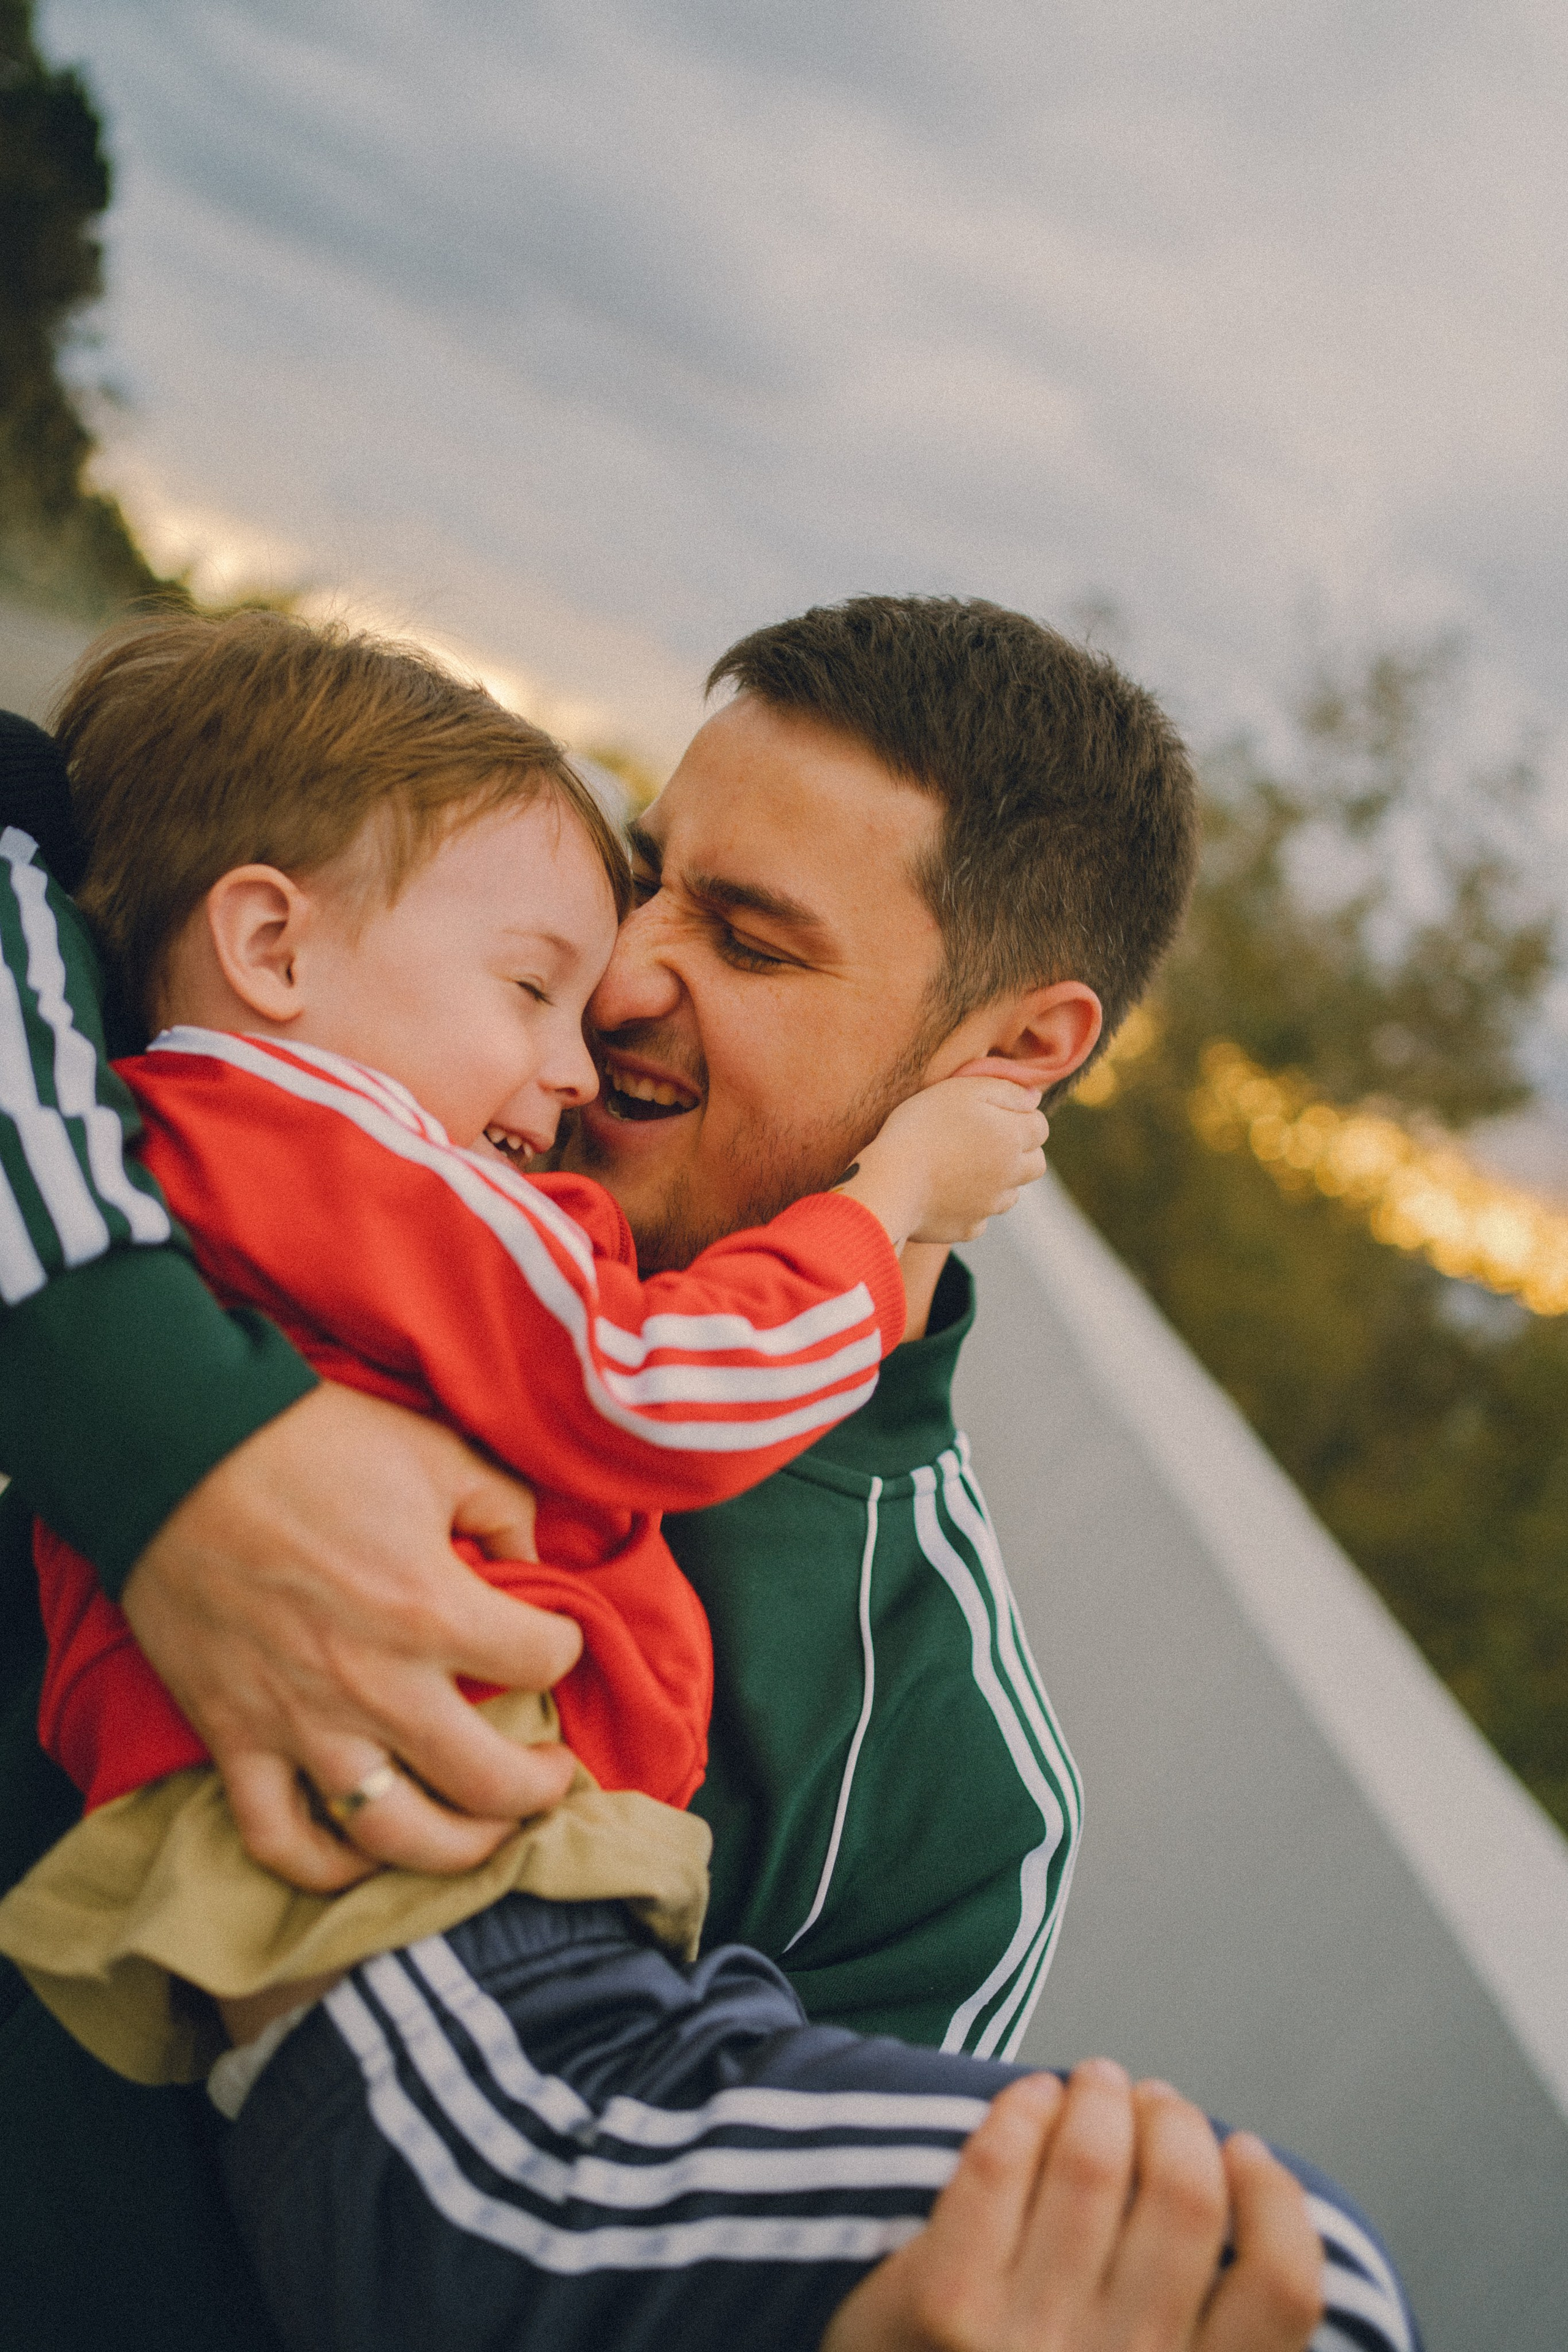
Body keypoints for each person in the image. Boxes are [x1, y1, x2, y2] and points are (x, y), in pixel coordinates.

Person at [0, 598, 1416, 2351]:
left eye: (746, 941)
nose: (620, 976)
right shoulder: (276, 1108)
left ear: (1014, 1058)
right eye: (647, 875)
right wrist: (166, 1439)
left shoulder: (945, 1795)